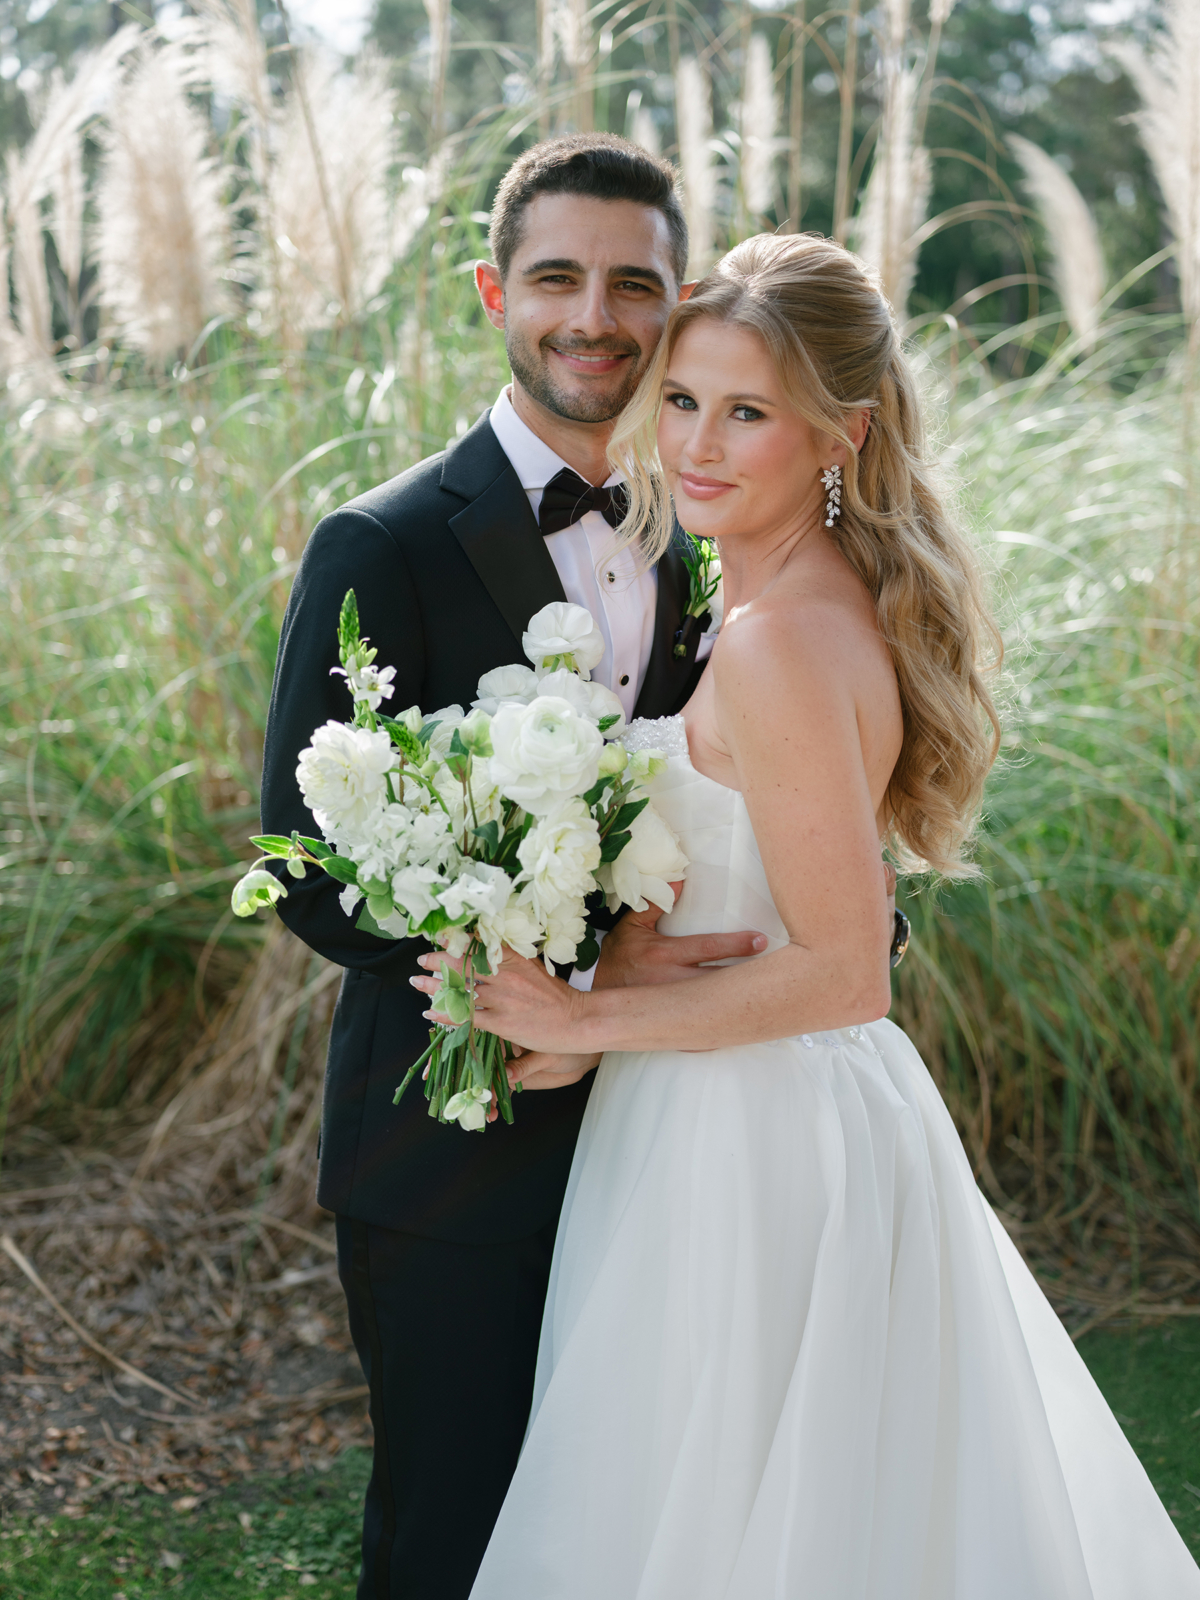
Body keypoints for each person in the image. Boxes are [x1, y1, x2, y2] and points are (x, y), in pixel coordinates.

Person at [412, 233, 1200, 1598]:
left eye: (748, 412)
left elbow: (846, 971)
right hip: (730, 1104)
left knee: (736, 1519)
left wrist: (589, 1016)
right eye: (683, 400)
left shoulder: (781, 639)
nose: (699, 444)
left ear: (841, 433)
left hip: (753, 1139)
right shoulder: (769, 596)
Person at [259, 135, 789, 1600]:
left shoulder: (707, 544)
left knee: (625, 1531)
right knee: (455, 1533)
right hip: (449, 1139)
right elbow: (304, 864)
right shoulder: (380, 542)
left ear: (677, 312)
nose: (594, 316)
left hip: (672, 1133)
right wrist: (556, 973)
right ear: (498, 291)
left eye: (636, 285)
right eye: (557, 276)